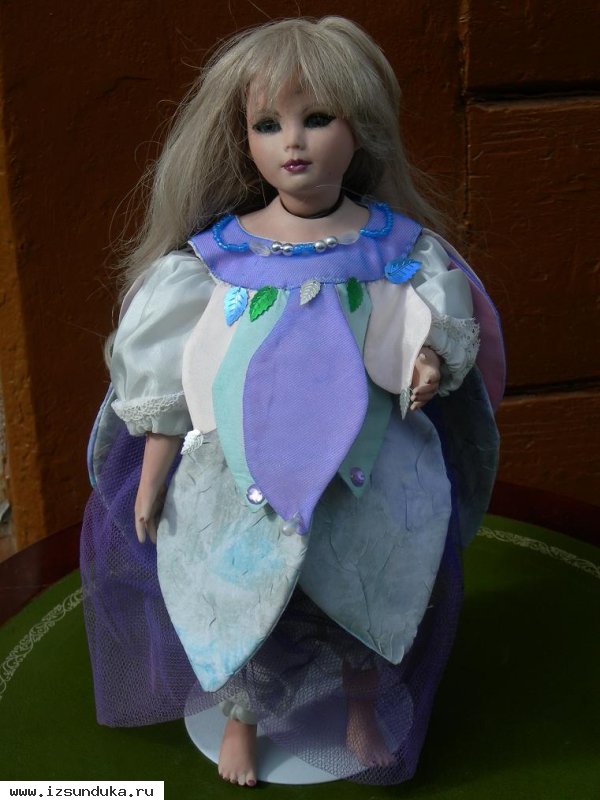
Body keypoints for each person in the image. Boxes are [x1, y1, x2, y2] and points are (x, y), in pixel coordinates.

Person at [81, 16, 504, 788]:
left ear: (359, 127)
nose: (293, 143)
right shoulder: (219, 256)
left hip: (364, 466)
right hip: (242, 469)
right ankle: (241, 716)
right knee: (247, 597)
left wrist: (427, 359)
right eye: (267, 125)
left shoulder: (392, 247)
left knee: (367, 590)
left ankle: (361, 707)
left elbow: (424, 317)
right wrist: (153, 475)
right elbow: (170, 371)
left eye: (317, 118)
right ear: (242, 137)